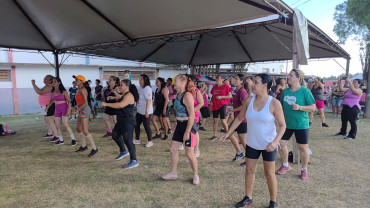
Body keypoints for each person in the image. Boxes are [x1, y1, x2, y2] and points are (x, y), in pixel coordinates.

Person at [221, 74, 285, 208]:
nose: (252, 85)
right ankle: (248, 197)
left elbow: (282, 125)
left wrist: (275, 143)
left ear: (265, 86)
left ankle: (273, 201)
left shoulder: (274, 103)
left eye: (256, 82)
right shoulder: (249, 100)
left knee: (269, 173)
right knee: (249, 171)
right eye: (253, 82)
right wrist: (228, 133)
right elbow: (239, 118)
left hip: (268, 145)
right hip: (252, 143)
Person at [276, 69, 316, 180]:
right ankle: (285, 165)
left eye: (291, 75)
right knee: (281, 144)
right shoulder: (285, 91)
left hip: (301, 124)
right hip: (286, 124)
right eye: (288, 75)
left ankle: (304, 169)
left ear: (298, 78)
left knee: (302, 148)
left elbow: (313, 107)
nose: (288, 77)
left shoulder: (305, 91)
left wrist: (300, 107)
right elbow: (280, 106)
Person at [162, 74, 199, 185]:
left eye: (176, 81)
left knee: (189, 153)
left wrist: (187, 131)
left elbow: (192, 114)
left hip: (189, 126)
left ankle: (195, 174)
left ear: (183, 82)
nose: (174, 83)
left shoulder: (187, 95)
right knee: (173, 149)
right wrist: (176, 122)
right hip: (179, 125)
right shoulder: (177, 95)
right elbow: (179, 113)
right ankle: (173, 173)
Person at [102, 79, 139, 169]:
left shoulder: (129, 95)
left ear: (127, 86)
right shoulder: (125, 95)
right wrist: (113, 98)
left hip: (128, 122)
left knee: (128, 140)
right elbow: (120, 98)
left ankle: (134, 160)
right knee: (115, 135)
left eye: (121, 85)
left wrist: (106, 104)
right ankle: (123, 151)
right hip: (121, 120)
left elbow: (120, 105)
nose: (119, 87)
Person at [221, 74, 248, 163]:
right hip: (237, 118)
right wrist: (231, 107)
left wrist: (232, 110)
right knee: (229, 133)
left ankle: (249, 159)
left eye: (236, 79)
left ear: (241, 81)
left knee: (242, 140)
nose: (234, 80)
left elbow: (244, 106)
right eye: (234, 78)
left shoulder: (242, 92)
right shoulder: (238, 90)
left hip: (242, 119)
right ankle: (239, 153)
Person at [72, 75, 98, 157]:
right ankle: (84, 146)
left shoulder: (83, 90)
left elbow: (86, 103)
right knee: (78, 129)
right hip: (81, 109)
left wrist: (77, 110)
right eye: (75, 80)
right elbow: (80, 102)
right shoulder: (78, 89)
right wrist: (75, 107)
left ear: (82, 81)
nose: (75, 81)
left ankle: (94, 148)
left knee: (85, 130)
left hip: (84, 109)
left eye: (77, 80)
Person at [45, 77, 77, 146]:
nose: (53, 83)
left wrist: (69, 110)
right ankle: (61, 140)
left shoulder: (63, 91)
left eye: (55, 81)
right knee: (57, 126)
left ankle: (73, 139)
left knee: (65, 125)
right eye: (53, 81)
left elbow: (69, 101)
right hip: (57, 109)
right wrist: (47, 107)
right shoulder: (52, 92)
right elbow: (51, 100)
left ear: (59, 83)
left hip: (64, 108)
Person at [31, 75, 58, 141]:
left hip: (48, 105)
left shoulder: (49, 86)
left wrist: (34, 84)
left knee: (50, 120)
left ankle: (56, 136)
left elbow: (39, 92)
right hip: (44, 105)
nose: (44, 79)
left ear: (50, 80)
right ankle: (50, 133)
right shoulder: (47, 86)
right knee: (46, 120)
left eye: (46, 79)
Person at [209, 75, 232, 141]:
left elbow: (230, 96)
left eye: (218, 78)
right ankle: (214, 135)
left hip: (222, 105)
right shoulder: (214, 87)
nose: (217, 79)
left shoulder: (226, 86)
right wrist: (211, 101)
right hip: (215, 105)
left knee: (223, 120)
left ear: (222, 79)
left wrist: (221, 97)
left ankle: (227, 135)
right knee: (215, 120)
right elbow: (213, 96)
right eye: (216, 78)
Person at [134, 74, 154, 147]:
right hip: (140, 110)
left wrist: (146, 111)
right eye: (139, 79)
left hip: (146, 111)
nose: (139, 80)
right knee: (136, 124)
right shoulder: (140, 87)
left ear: (145, 80)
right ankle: (137, 139)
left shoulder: (147, 88)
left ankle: (150, 141)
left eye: (141, 79)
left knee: (146, 126)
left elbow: (148, 100)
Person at [192, 79, 204, 158]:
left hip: (194, 115)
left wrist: (193, 110)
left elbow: (201, 103)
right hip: (186, 115)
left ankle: (196, 149)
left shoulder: (197, 91)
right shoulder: (186, 91)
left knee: (195, 131)